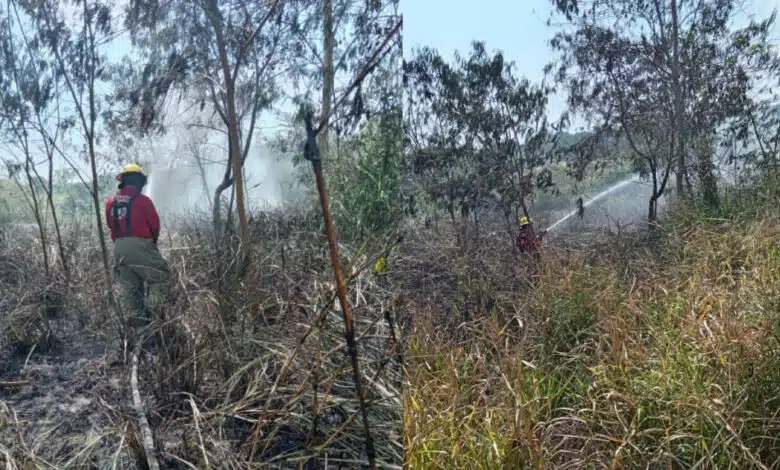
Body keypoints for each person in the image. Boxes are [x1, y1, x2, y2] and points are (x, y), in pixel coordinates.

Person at [105, 163, 170, 344]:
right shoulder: (143, 201)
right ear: (140, 182)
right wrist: (151, 246)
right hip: (140, 245)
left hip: (119, 247)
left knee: (131, 288)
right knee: (161, 277)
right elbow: (154, 227)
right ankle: (152, 313)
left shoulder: (111, 202)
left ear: (123, 182)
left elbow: (111, 226)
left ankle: (138, 333)